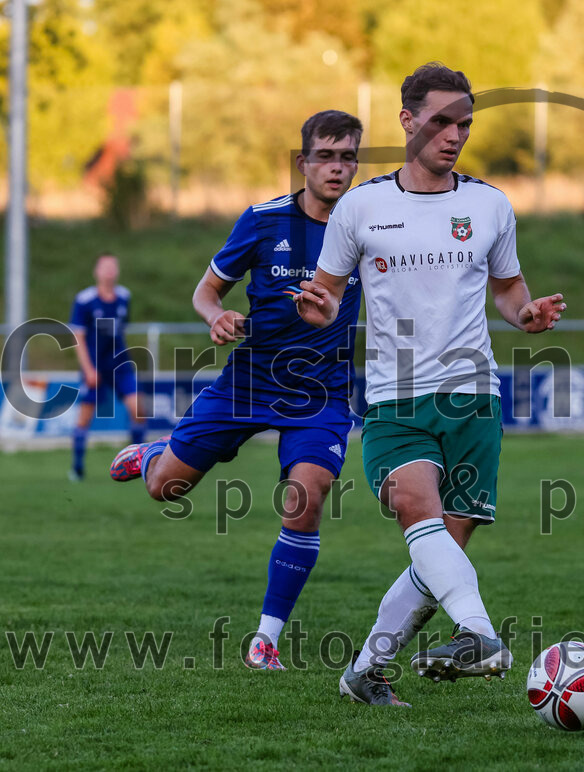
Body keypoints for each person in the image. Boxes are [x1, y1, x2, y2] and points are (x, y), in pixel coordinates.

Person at [296, 63, 566, 706]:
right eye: (442, 121)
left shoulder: (489, 204)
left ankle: (365, 672)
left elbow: (507, 288)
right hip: (397, 399)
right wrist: (320, 309)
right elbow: (329, 292)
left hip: (474, 396)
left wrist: (525, 313)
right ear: (407, 120)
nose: (454, 135)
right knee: (418, 511)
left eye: (464, 123)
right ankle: (480, 634)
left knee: (442, 547)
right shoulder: (361, 207)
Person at [109, 110, 364, 672]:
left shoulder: (368, 225)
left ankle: (265, 640)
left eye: (349, 156)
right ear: (303, 162)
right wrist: (215, 316)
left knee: (308, 495)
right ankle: (155, 453)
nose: (338, 168)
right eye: (327, 155)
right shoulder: (262, 220)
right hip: (246, 382)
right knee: (164, 490)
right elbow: (207, 291)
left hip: (321, 393)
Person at [68, 253, 147, 481]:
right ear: (97, 271)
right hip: (93, 365)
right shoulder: (84, 300)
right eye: (105, 267)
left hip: (119, 363)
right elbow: (78, 337)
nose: (110, 271)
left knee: (138, 410)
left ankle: (136, 464)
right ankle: (77, 468)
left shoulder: (124, 297)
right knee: (84, 417)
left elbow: (121, 330)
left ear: (118, 271)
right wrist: (89, 369)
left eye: (113, 266)